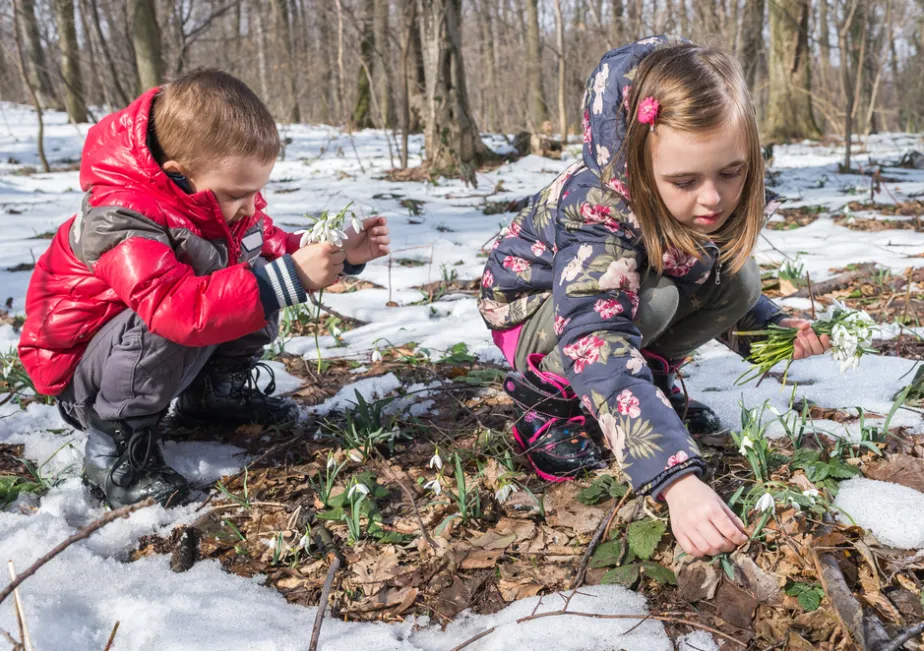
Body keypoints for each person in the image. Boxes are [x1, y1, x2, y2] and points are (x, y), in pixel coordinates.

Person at [478, 37, 830, 558]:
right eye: (685, 180)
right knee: (655, 301)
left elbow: (705, 281)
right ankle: (548, 407)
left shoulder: (701, 199)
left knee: (739, 279)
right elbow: (596, 335)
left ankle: (650, 387)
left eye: (731, 172)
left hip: (621, 301)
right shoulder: (595, 208)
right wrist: (674, 479)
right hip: (539, 313)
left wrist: (770, 337)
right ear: (639, 163)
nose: (711, 197)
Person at [18, 69, 391, 509]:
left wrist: (338, 255)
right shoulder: (121, 218)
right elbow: (174, 311)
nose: (252, 206)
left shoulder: (222, 207)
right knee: (200, 304)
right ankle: (116, 455)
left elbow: (275, 248)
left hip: (146, 361)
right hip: (89, 383)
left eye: (258, 191)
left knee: (256, 275)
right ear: (179, 175)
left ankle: (215, 396)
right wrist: (289, 277)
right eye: (238, 194)